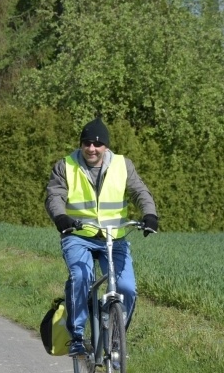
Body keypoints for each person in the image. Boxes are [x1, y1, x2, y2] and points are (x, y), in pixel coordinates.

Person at [45, 117, 158, 357]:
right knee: (80, 277)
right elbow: (55, 196)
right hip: (78, 235)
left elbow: (140, 191)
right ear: (81, 144)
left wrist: (150, 215)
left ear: (106, 146)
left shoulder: (122, 165)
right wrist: (61, 217)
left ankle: (116, 340)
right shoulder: (65, 166)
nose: (92, 148)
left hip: (113, 238)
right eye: (87, 143)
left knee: (126, 287)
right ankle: (76, 336)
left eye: (97, 144)